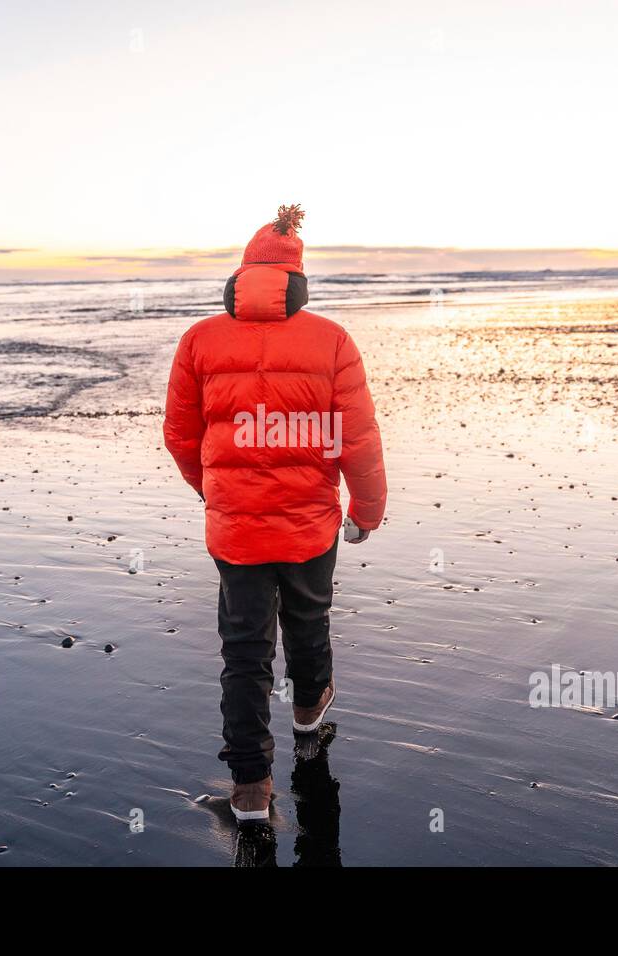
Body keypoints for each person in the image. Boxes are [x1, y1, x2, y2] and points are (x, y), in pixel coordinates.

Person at [163, 204, 387, 822]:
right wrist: (366, 507)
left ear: (241, 275)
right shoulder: (332, 339)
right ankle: (310, 713)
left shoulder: (200, 340)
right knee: (309, 622)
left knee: (243, 653)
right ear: (296, 278)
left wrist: (212, 491)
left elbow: (180, 435)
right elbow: (357, 436)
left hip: (236, 529)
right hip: (310, 522)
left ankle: (251, 792)